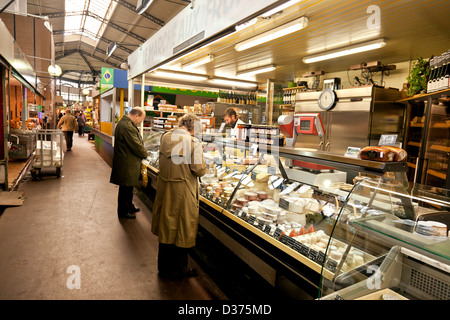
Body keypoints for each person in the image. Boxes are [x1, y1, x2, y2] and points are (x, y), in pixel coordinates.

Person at [151, 113, 207, 278]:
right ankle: (180, 270)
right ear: (193, 127)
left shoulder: (165, 137)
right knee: (182, 229)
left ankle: (164, 268)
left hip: (164, 188)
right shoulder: (193, 142)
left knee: (166, 228)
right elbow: (199, 169)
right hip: (183, 191)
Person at [110, 107, 147, 219]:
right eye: (141, 119)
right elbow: (136, 146)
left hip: (128, 161)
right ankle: (123, 211)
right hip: (127, 163)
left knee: (129, 187)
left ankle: (129, 206)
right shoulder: (127, 126)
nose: (141, 122)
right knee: (125, 188)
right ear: (136, 116)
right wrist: (145, 154)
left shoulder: (126, 123)